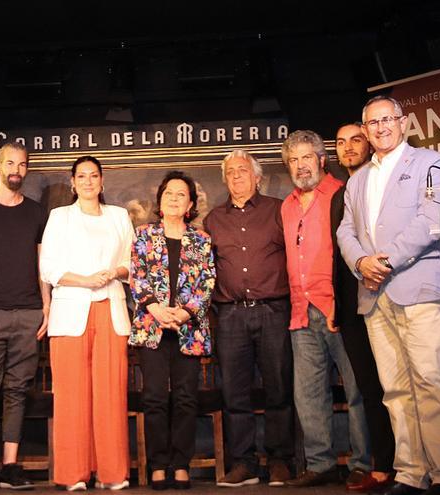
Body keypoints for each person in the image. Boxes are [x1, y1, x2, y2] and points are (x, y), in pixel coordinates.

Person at [337, 95, 440, 495]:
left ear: (403, 122)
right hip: (374, 295)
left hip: (418, 288)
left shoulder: (429, 162)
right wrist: (361, 263)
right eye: (372, 123)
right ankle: (411, 473)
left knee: (429, 381)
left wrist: (386, 261)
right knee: (394, 389)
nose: (381, 128)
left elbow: (432, 220)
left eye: (387, 120)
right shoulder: (357, 179)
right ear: (366, 130)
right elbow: (345, 231)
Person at [278, 130, 369, 488]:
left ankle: (363, 461)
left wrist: (340, 304)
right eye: (293, 160)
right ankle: (321, 464)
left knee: (358, 389)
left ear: (321, 159)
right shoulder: (286, 206)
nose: (301, 166)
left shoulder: (342, 194)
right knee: (309, 394)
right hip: (301, 311)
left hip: (340, 310)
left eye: (306, 157)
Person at [39, 155, 134, 491]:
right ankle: (73, 473)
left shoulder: (119, 216)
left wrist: (115, 273)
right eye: (82, 176)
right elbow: (48, 267)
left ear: (102, 181)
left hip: (111, 308)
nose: (89, 181)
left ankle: (113, 473)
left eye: (94, 175)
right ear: (73, 182)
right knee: (71, 395)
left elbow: (130, 262)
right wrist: (84, 280)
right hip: (71, 311)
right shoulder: (59, 217)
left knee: (111, 393)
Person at [203, 150, 294, 488]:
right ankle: (244, 463)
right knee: (234, 394)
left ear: (257, 177)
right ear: (224, 179)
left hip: (274, 311)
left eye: (243, 170)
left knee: (279, 388)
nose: (237, 176)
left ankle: (280, 461)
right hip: (230, 315)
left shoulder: (277, 210)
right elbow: (203, 270)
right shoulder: (213, 219)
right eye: (230, 172)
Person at [128, 171, 216, 490]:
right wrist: (155, 308)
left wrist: (184, 312)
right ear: (160, 201)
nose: (174, 198)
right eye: (169, 194)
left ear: (191, 203)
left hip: (187, 327)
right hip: (152, 327)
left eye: (181, 194)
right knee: (153, 398)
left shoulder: (202, 240)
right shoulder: (144, 235)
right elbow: (137, 276)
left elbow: (207, 281)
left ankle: (180, 464)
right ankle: (158, 464)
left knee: (185, 398)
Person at [0, 143, 49, 491]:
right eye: (10, 163)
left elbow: (41, 264)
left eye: (22, 164)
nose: (16, 169)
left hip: (30, 312)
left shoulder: (35, 212)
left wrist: (46, 307)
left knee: (18, 391)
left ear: (26, 169)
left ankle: (11, 464)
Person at [333, 123, 396, 492]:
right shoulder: (339, 196)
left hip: (394, 292)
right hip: (354, 306)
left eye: (355, 139)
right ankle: (385, 466)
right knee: (371, 389)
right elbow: (336, 255)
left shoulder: (383, 185)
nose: (348, 147)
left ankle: (417, 466)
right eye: (340, 143)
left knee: (406, 386)